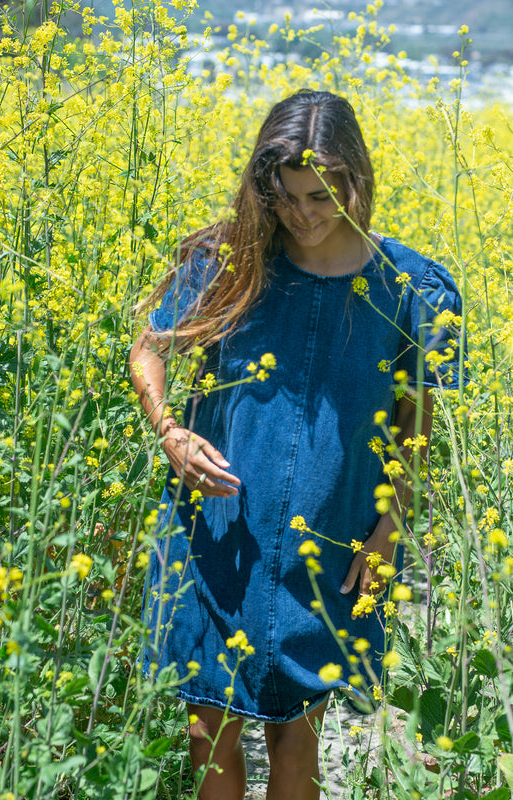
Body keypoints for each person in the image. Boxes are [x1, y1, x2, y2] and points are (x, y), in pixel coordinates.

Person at [130, 90, 464, 800]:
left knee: (296, 741)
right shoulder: (227, 258)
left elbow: (414, 427)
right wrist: (171, 431)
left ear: (355, 182)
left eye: (320, 196)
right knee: (207, 736)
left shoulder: (411, 289)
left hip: (332, 537)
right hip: (215, 528)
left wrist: (387, 532)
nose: (302, 215)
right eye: (283, 197)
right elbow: (147, 350)